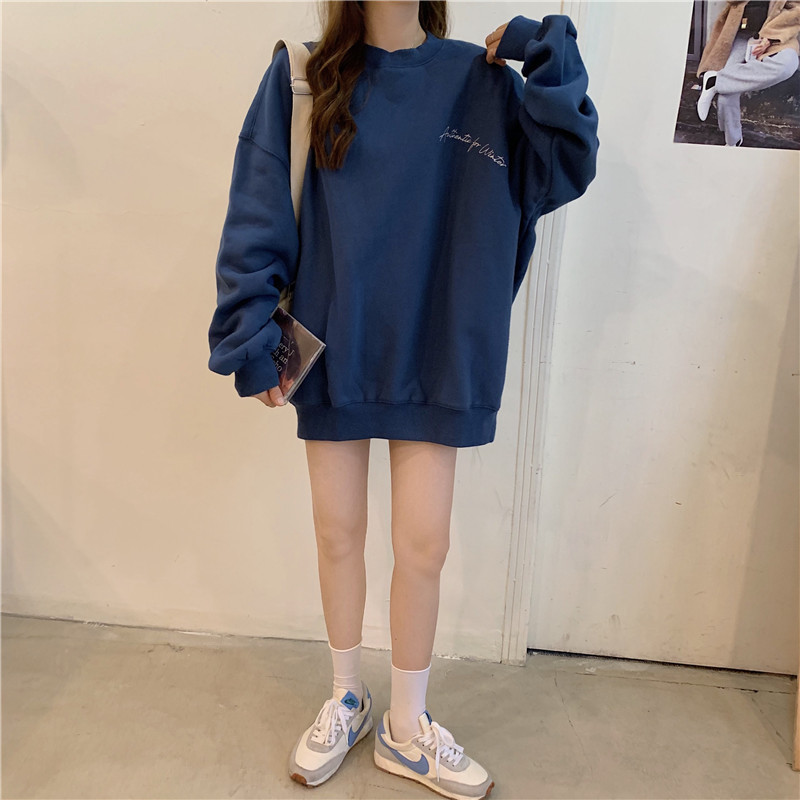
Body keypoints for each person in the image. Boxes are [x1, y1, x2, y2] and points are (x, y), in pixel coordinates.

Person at [207, 1, 599, 796]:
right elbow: (258, 209)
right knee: (337, 534)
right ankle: (347, 696)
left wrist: (544, 47)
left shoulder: (481, 82)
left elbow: (565, 163)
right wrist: (252, 335)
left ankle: (408, 726)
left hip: (438, 348)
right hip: (335, 348)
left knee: (424, 546)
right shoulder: (302, 79)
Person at [696, 0, 800, 146]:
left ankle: (714, 81)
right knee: (727, 93)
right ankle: (733, 142)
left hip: (776, 37)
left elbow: (796, 9)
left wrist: (770, 37)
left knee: (787, 63)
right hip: (739, 35)